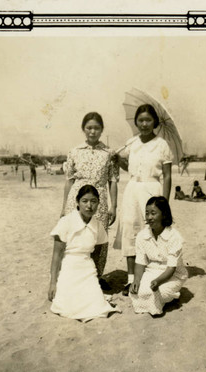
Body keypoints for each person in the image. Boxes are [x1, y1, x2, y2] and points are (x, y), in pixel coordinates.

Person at [114, 104, 173, 296]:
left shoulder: (162, 144)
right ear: (136, 122)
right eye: (141, 120)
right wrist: (118, 160)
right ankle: (131, 280)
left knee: (151, 232)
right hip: (132, 190)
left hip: (152, 190)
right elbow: (128, 168)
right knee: (130, 231)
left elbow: (167, 175)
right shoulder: (131, 143)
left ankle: (152, 276)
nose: (144, 124)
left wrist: (164, 202)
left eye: (148, 120)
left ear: (155, 121)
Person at [60, 112, 118, 286]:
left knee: (98, 238)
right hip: (76, 200)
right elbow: (69, 180)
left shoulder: (109, 153)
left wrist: (113, 207)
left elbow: (113, 181)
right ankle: (74, 277)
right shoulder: (74, 151)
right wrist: (64, 208)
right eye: (89, 128)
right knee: (76, 237)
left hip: (99, 200)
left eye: (96, 128)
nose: (92, 131)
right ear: (83, 129)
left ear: (102, 130)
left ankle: (96, 276)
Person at [48, 185, 120, 322]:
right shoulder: (66, 222)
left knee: (96, 305)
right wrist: (53, 283)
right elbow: (56, 256)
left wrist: (95, 278)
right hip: (68, 267)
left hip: (87, 269)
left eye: (93, 201)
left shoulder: (98, 226)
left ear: (99, 203)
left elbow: (96, 255)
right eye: (85, 201)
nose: (89, 206)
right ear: (77, 202)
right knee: (68, 306)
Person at [129, 196, 188, 316]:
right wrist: (136, 280)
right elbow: (140, 262)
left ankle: (171, 295)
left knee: (157, 292)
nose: (149, 217)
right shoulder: (142, 235)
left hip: (173, 274)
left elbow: (171, 268)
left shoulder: (174, 236)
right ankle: (160, 300)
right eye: (147, 213)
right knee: (136, 291)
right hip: (151, 271)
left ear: (164, 215)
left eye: (153, 213)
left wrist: (158, 281)